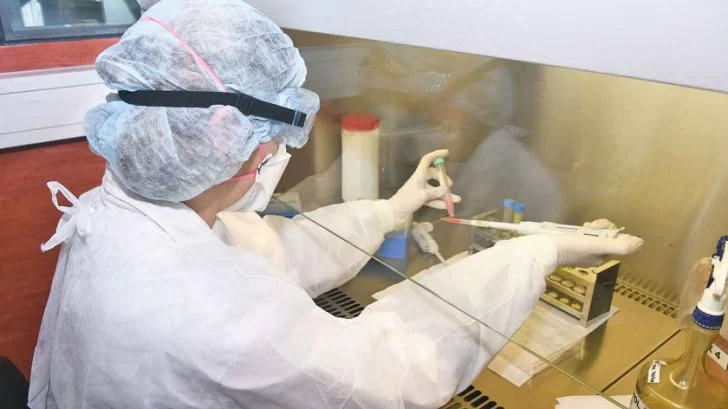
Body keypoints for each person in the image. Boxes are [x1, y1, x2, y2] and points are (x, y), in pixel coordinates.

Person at [28, 1, 644, 408]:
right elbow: (391, 367)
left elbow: (270, 250)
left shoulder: (123, 215)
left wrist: (388, 211)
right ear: (223, 138)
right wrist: (535, 255)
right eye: (275, 138)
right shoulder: (214, 318)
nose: (275, 153)